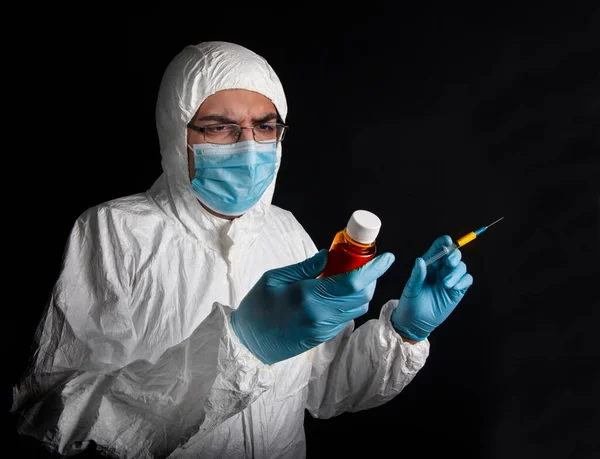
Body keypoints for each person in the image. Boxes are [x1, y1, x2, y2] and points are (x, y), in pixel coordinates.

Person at [11, 41, 473, 458]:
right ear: (177, 135)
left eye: (265, 126)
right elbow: (57, 417)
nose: (249, 147)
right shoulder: (115, 232)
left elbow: (328, 389)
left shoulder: (286, 232)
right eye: (219, 129)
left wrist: (402, 334)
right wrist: (242, 346)